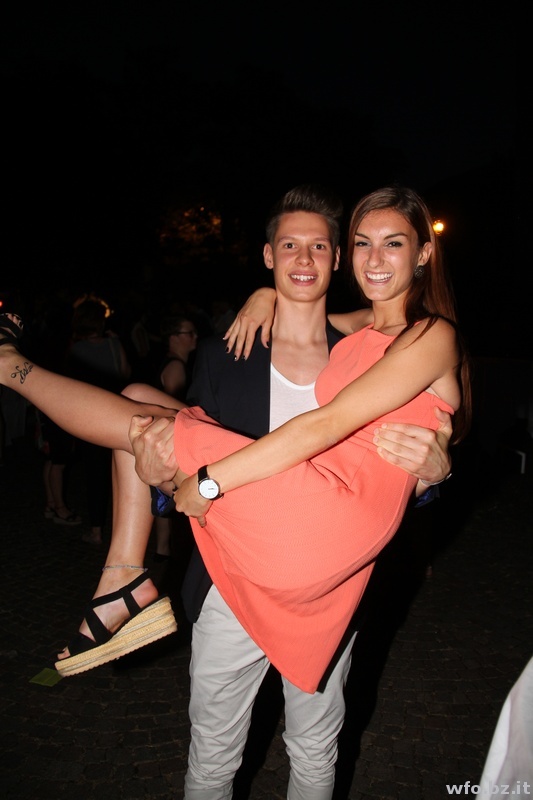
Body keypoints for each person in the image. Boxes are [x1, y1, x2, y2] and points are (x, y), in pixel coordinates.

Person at [0, 184, 469, 784]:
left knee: (314, 748)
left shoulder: (422, 336)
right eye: (362, 243)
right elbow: (322, 322)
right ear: (272, 255)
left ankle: (10, 368)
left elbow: (332, 430)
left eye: (393, 244)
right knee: (139, 401)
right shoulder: (279, 342)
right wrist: (264, 295)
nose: (373, 258)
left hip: (323, 537)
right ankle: (124, 572)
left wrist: (209, 482)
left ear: (421, 254)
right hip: (252, 558)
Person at [128, 184, 454, 799]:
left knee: (315, 749)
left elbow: (385, 459)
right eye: (289, 247)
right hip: (231, 581)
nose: (305, 259)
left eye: (321, 247)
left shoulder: (368, 344)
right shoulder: (226, 352)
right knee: (211, 755)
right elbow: (185, 453)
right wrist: (162, 485)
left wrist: (437, 473)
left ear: (336, 259)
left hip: (326, 584)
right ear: (269, 255)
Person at [67, 297, 131, 545]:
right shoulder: (113, 343)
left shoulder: (76, 350)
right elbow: (125, 373)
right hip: (117, 414)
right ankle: (123, 533)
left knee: (95, 475)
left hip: (89, 418)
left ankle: (96, 530)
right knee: (121, 474)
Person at [152, 314, 198, 563]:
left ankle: (163, 550)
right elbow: (170, 408)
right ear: (173, 337)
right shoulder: (176, 366)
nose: (194, 337)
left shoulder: (176, 363)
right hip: (173, 438)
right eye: (188, 333)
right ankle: (166, 550)